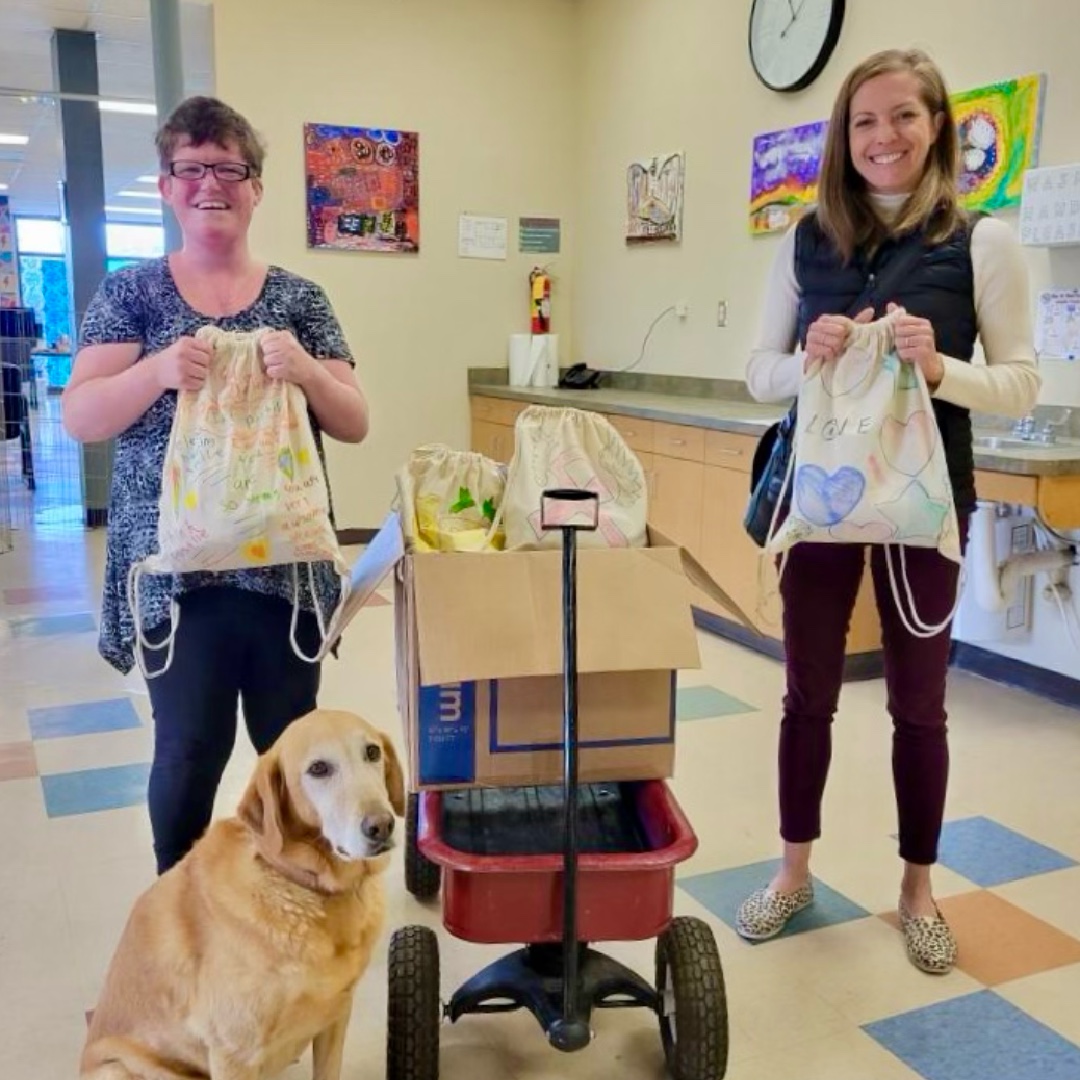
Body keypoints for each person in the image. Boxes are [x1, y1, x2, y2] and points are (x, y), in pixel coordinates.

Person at [738, 49, 1040, 973]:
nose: (883, 138)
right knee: (807, 698)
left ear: (938, 124)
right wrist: (811, 357)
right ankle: (794, 872)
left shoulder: (983, 241)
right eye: (865, 122)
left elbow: (1023, 385)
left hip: (924, 507)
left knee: (920, 706)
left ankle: (917, 889)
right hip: (821, 504)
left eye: (904, 117)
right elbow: (759, 373)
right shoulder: (803, 240)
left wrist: (941, 364)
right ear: (843, 135)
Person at [62, 97, 369, 875]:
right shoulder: (132, 294)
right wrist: (158, 371)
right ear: (166, 186)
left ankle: (298, 896)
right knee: (191, 750)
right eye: (191, 169)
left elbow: (355, 419)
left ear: (256, 186)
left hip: (282, 573)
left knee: (298, 751)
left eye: (228, 169)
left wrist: (302, 369)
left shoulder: (300, 300)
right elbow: (83, 415)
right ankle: (181, 909)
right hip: (176, 576)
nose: (211, 184)